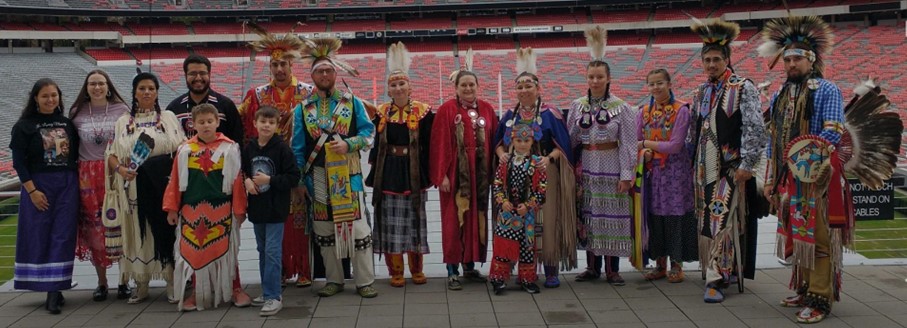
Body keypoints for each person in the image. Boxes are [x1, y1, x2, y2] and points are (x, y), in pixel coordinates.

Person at [759, 16, 853, 323]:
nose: (790, 64)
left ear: (811, 60)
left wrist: (806, 160)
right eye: (786, 59)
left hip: (818, 178)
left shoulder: (826, 89)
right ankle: (803, 286)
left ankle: (820, 297)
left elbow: (833, 130)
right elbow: (775, 140)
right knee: (800, 234)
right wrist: (773, 178)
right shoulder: (780, 95)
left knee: (820, 237)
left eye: (797, 58)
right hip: (792, 181)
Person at [292, 37, 377, 298]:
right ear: (313, 76)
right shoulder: (302, 109)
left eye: (329, 70)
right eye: (320, 71)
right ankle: (334, 279)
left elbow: (369, 132)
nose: (325, 74)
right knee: (325, 230)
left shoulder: (352, 103)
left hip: (348, 175)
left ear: (335, 74)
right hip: (316, 176)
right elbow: (297, 147)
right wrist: (298, 182)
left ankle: (364, 281)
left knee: (358, 228)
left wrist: (349, 144)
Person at [689, 19, 766, 303]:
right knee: (707, 222)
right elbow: (693, 132)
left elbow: (756, 128)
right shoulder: (700, 92)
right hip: (702, 170)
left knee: (722, 221)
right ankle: (720, 269)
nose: (711, 65)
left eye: (716, 59)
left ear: (727, 59)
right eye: (706, 60)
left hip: (730, 169)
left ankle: (717, 279)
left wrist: (748, 164)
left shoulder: (743, 87)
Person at [240, 24, 314, 288]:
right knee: (275, 219)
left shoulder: (307, 92)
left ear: (292, 66)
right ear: (269, 67)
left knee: (300, 219)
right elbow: (243, 124)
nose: (280, 69)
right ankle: (279, 269)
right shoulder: (257, 95)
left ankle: (304, 268)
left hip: (299, 164)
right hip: (266, 168)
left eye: (284, 64)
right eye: (275, 65)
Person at [494, 47, 575, 288]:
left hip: (543, 172)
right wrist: (502, 156)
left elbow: (564, 147)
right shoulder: (509, 115)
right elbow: (497, 144)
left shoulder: (551, 114)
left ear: (538, 89)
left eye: (528, 86)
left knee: (546, 221)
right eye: (519, 86)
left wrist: (548, 158)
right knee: (515, 217)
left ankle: (550, 269)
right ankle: (517, 268)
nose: (524, 90)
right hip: (514, 174)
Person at [106, 72, 186, 304]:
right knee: (139, 233)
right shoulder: (123, 121)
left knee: (164, 231)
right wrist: (121, 169)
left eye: (151, 88)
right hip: (133, 187)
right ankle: (141, 284)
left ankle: (172, 281)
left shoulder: (169, 117)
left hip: (162, 184)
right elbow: (111, 154)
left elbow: (182, 148)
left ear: (157, 92)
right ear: (134, 93)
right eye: (142, 88)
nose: (146, 92)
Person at [568, 26, 637, 286]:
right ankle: (592, 267)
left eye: (599, 77)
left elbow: (629, 143)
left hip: (611, 165)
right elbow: (571, 140)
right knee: (589, 216)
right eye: (591, 77)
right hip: (586, 166)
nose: (595, 81)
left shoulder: (622, 108)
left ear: (608, 79)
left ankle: (612, 269)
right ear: (586, 79)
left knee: (612, 217)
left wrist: (627, 174)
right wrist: (576, 126)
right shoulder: (577, 105)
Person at [163, 104, 246, 311]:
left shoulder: (230, 148)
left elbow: (237, 181)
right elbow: (174, 181)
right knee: (194, 252)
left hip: (222, 209)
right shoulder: (184, 150)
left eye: (210, 121)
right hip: (192, 210)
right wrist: (172, 208)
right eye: (201, 122)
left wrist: (239, 209)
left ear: (217, 122)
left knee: (228, 251)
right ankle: (197, 293)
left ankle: (235, 288)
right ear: (193, 124)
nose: (206, 125)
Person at [430, 48, 498, 291]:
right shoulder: (447, 110)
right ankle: (452, 270)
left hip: (479, 176)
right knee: (453, 221)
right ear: (456, 88)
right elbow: (438, 144)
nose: (468, 89)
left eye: (472, 85)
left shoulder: (488, 110)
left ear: (478, 86)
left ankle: (470, 266)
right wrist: (443, 175)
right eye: (464, 85)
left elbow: (496, 142)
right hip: (455, 176)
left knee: (476, 217)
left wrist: (494, 174)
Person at [365, 42, 433, 287]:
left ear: (410, 86)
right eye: (393, 85)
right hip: (389, 172)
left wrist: (430, 171)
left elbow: (430, 144)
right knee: (391, 223)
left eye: (402, 83)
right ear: (389, 89)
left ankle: (417, 269)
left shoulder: (425, 112)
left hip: (414, 171)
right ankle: (396, 271)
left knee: (416, 221)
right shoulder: (381, 113)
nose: (398, 87)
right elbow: (374, 145)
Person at [10, 78, 79, 314]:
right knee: (40, 232)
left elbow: (74, 156)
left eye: (54, 95)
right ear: (36, 99)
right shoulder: (24, 126)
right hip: (39, 184)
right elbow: (19, 162)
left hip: (67, 184)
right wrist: (32, 191)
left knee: (63, 234)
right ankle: (45, 285)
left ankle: (56, 289)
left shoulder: (67, 123)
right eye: (45, 96)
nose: (50, 100)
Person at [69, 70, 132, 301]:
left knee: (120, 225)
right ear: (86, 87)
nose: (97, 87)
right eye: (92, 83)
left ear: (108, 86)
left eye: (101, 83)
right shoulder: (76, 113)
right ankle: (102, 282)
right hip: (87, 175)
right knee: (95, 231)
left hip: (114, 172)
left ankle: (124, 281)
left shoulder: (122, 110)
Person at [636, 69, 697, 283]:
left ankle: (677, 265)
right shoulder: (643, 111)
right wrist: (644, 151)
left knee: (675, 216)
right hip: (653, 174)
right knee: (655, 217)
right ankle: (660, 264)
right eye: (651, 84)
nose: (655, 88)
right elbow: (634, 143)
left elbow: (675, 145)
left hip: (675, 174)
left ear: (669, 84)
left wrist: (645, 144)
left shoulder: (682, 110)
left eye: (660, 83)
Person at [242, 106, 300, 316]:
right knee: (262, 251)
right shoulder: (249, 148)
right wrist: (247, 181)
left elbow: (294, 177)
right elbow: (242, 171)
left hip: (276, 209)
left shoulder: (283, 149)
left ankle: (274, 296)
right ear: (255, 123)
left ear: (277, 126)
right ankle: (268, 291)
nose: (266, 125)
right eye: (262, 121)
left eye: (271, 122)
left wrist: (270, 180)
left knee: (273, 252)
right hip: (257, 209)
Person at [490, 121, 548, 295]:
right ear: (512, 141)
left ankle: (527, 279)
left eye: (526, 141)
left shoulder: (537, 163)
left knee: (527, 247)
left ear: (532, 142)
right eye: (519, 141)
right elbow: (497, 184)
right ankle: (498, 278)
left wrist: (529, 205)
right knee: (503, 247)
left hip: (527, 214)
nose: (522, 144)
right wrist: (502, 201)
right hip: (507, 211)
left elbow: (542, 189)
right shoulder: (505, 162)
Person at [165, 54, 244, 145]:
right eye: (193, 73)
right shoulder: (174, 108)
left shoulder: (226, 105)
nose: (198, 78)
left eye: (202, 73)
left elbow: (237, 141)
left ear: (209, 75)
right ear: (185, 75)